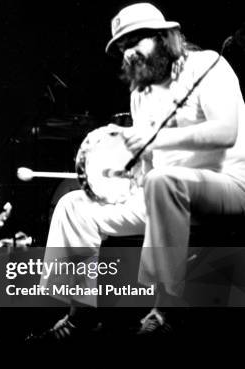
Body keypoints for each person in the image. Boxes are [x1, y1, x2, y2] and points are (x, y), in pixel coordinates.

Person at [35, 3, 245, 339]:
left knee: (164, 183)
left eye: (136, 42)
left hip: (224, 188)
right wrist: (116, 177)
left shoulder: (208, 66)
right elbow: (148, 166)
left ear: (164, 38)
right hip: (162, 197)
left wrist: (154, 139)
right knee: (73, 207)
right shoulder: (140, 92)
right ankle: (80, 315)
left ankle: (164, 311)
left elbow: (226, 131)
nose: (129, 53)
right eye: (122, 47)